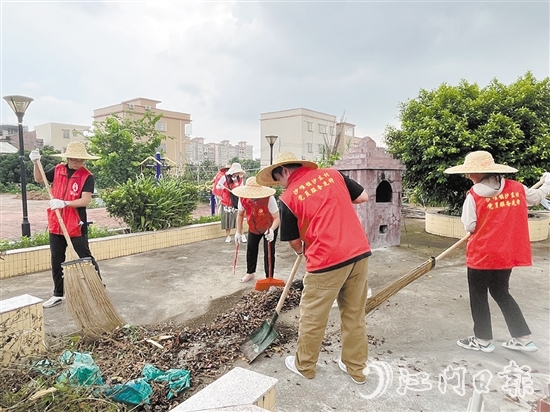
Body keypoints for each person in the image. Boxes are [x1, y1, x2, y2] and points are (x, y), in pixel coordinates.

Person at [256, 151, 371, 384]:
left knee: (312, 317)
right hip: (359, 252)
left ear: (285, 171)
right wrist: (332, 203)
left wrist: (303, 252)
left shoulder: (288, 198)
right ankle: (356, 369)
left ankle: (305, 366)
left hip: (326, 260)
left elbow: (294, 241)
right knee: (354, 315)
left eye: (279, 179)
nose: (280, 185)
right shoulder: (333, 174)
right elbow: (363, 197)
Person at [445, 151, 550, 353]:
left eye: (470, 172)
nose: (467, 176)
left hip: (481, 254)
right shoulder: (517, 188)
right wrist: (547, 183)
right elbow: (537, 197)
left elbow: (470, 226)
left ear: (479, 173)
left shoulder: (473, 195)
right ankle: (523, 338)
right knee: (501, 292)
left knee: (478, 295)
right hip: (506, 253)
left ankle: (482, 340)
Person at [29, 142, 102, 309]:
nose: (79, 163)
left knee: (85, 258)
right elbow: (39, 178)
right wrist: (35, 163)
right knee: (57, 259)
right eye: (76, 160)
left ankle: (98, 287)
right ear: (68, 158)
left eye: (82, 160)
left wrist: (64, 203)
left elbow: (85, 200)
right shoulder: (58, 170)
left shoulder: (87, 176)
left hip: (76, 224)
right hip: (56, 223)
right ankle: (58, 294)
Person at [232, 177, 280, 283]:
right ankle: (250, 273)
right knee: (251, 249)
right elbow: (240, 215)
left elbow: (277, 218)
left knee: (269, 252)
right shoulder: (242, 198)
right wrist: (238, 232)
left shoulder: (268, 199)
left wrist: (272, 230)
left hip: (269, 227)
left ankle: (269, 277)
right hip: (254, 227)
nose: (252, 198)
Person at [216, 162, 246, 243]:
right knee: (227, 219)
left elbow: (242, 188)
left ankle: (242, 234)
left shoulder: (240, 179)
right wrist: (222, 187)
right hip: (226, 201)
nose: (237, 173)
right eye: (237, 172)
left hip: (236, 201)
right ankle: (228, 236)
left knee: (238, 218)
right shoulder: (225, 177)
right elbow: (217, 186)